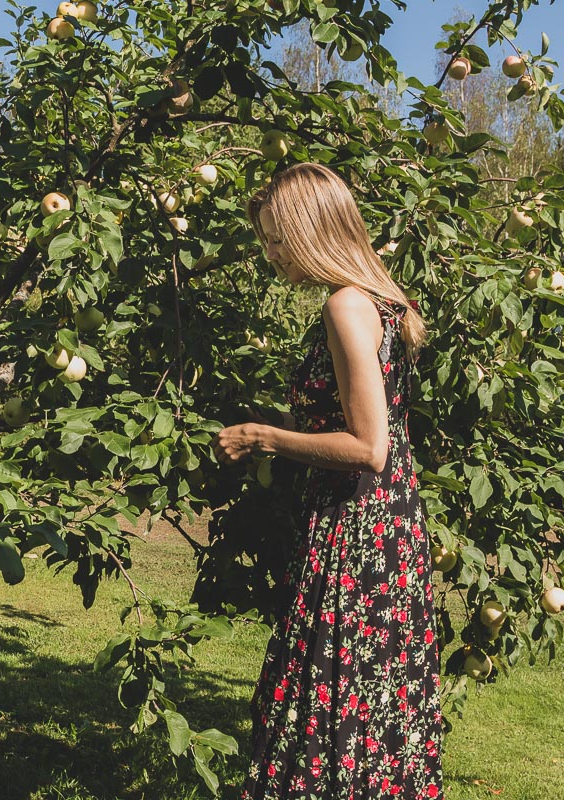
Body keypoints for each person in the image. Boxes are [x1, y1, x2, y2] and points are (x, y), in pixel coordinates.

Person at [215, 162, 444, 799]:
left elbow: (370, 445)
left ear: (311, 231)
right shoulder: (383, 301)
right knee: (369, 701)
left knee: (330, 700)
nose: (270, 255)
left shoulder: (345, 304)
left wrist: (264, 437)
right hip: (385, 526)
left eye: (275, 240)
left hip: (359, 535)